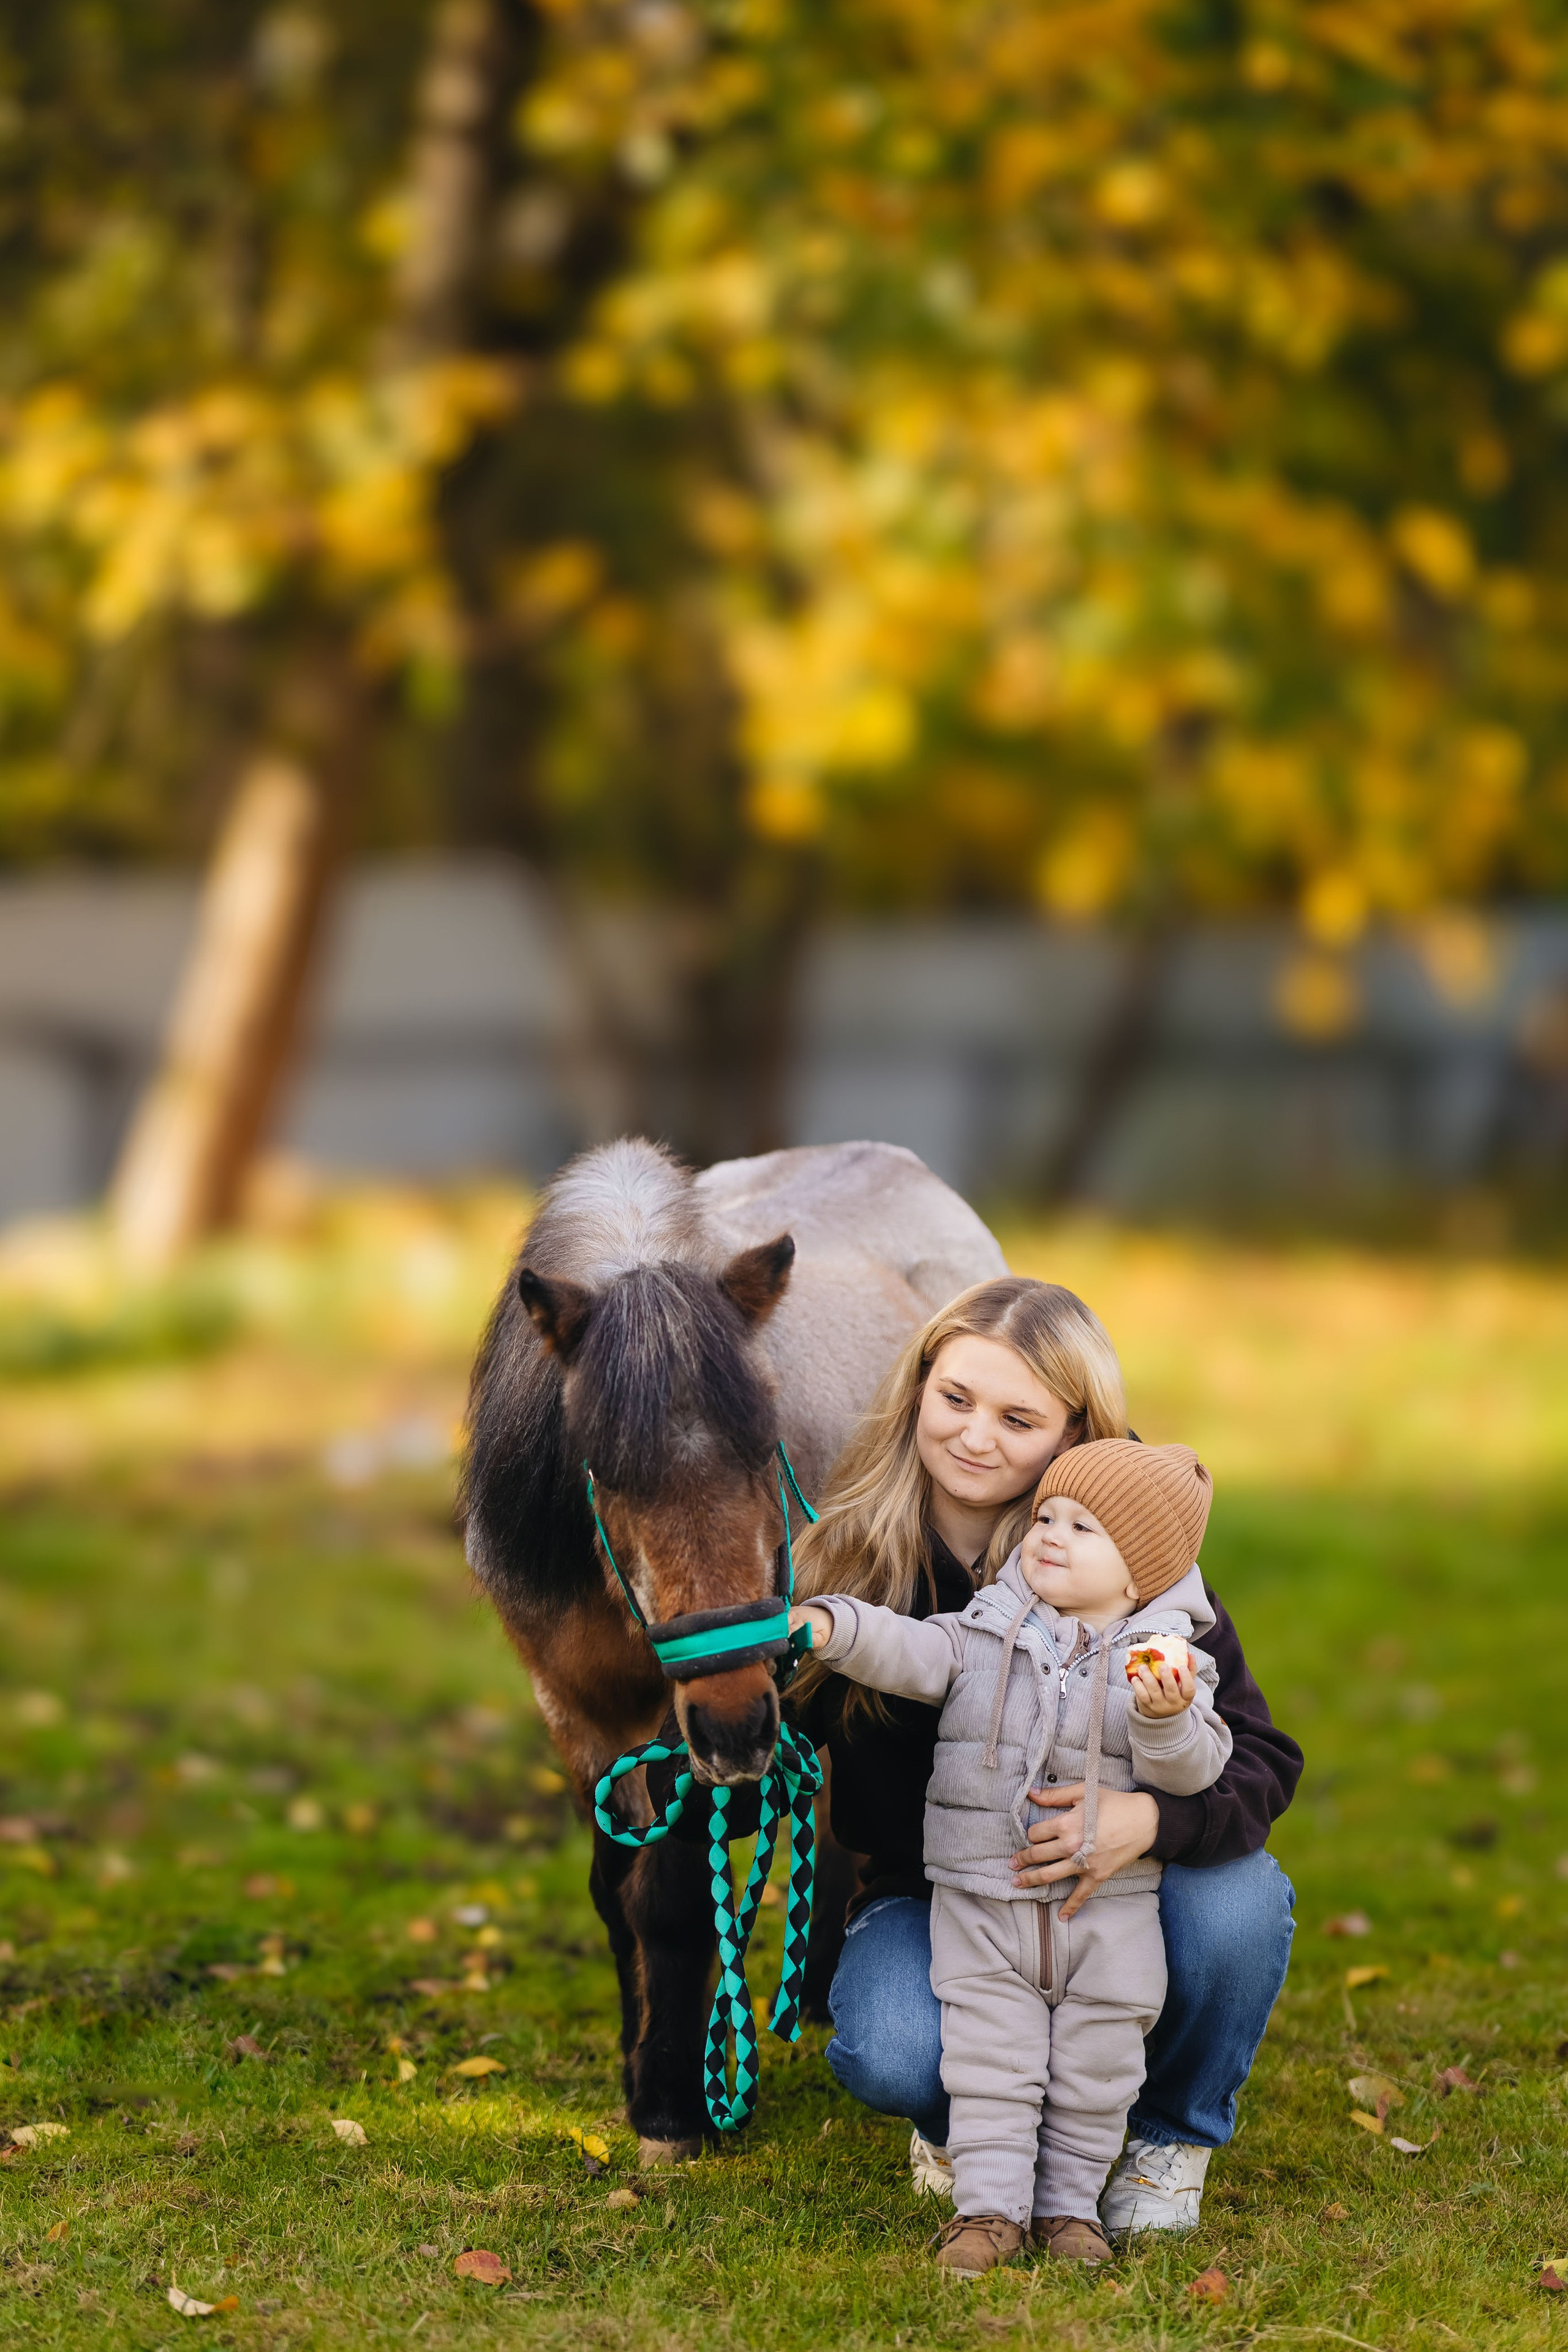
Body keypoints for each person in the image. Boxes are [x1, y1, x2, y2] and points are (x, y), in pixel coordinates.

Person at [785, 1275, 1301, 2238]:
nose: (976, 1437)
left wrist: (1152, 1819)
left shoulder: (1129, 1553)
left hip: (1117, 1892)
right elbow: (795, 1711)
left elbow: (1261, 1756)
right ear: (919, 1392)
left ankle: (1161, 2139)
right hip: (942, 1888)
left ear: (1073, 1432)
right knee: (892, 2047)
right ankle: (970, 2130)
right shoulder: (851, 1555)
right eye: (956, 1400)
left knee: (1239, 1902)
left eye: (1018, 1418)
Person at [792, 1439, 1230, 2277]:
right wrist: (834, 1625)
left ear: (1139, 1572)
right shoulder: (987, 1629)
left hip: (1108, 1917)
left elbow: (1194, 1771)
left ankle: (1069, 2208)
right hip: (985, 1903)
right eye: (1046, 1517)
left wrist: (1167, 1719)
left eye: (1084, 1527)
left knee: (1095, 2069)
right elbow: (907, 1650)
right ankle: (988, 2212)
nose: (1050, 1534)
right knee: (990, 2058)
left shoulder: (1165, 1662)